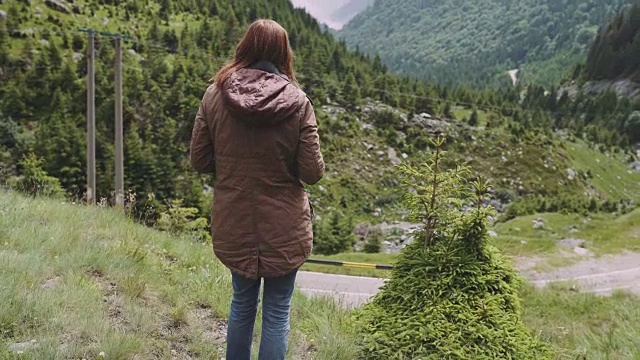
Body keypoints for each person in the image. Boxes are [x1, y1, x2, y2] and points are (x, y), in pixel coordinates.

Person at [189, 19, 324, 360]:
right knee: (277, 312)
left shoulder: (214, 95)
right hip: (284, 227)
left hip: (235, 220)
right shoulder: (298, 102)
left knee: (241, 303)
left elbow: (200, 160)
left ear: (244, 47)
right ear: (283, 53)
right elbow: (312, 173)